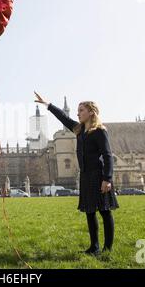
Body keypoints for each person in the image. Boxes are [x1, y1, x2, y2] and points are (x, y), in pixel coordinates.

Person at [34, 91, 119, 255]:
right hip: (85, 175)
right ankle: (94, 247)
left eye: (81, 110)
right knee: (89, 211)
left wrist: (107, 179)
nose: (78, 113)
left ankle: (107, 249)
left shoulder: (100, 131)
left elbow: (108, 155)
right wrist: (48, 105)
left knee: (104, 211)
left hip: (99, 175)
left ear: (91, 112)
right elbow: (63, 118)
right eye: (78, 110)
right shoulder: (80, 130)